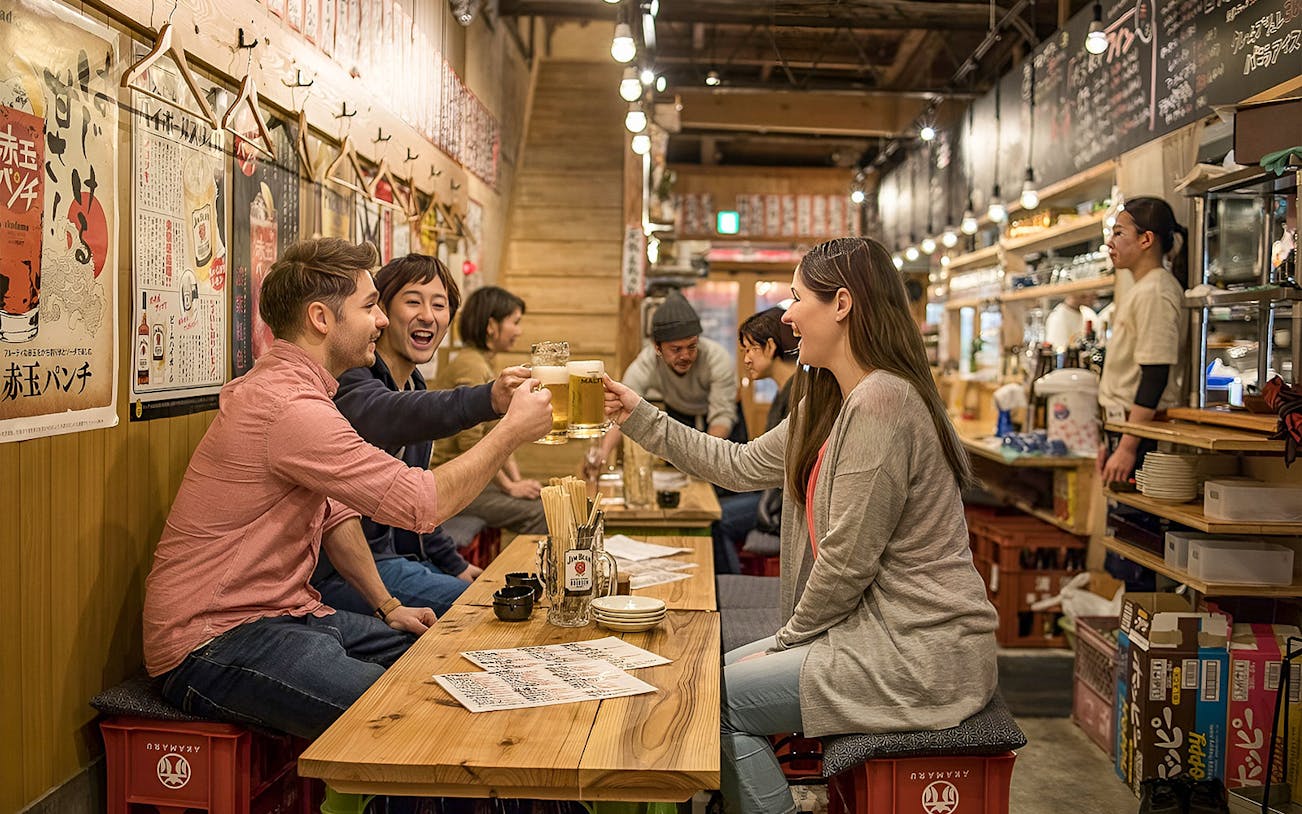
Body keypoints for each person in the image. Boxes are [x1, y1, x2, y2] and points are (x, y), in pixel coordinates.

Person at [602, 237, 998, 814]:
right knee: (700, 683)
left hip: (920, 652)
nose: (785, 315)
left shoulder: (884, 402)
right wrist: (638, 413)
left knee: (712, 700)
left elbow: (847, 562)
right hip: (869, 636)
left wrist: (786, 642)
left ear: (842, 304)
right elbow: (736, 465)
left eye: (795, 297)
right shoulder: (827, 400)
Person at [142, 238, 552, 740]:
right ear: (321, 318)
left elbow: (337, 516)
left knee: (446, 664)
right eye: (369, 305)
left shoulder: (304, 394)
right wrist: (510, 430)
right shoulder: (290, 407)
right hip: (211, 642)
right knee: (412, 716)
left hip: (287, 615)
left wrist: (388, 606)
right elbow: (421, 504)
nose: (381, 320)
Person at [314, 253, 530, 616]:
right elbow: (390, 415)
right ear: (380, 312)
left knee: (505, 596)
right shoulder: (352, 380)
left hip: (395, 558)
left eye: (440, 305)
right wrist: (489, 398)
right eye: (413, 301)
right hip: (346, 570)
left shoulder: (414, 384)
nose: (428, 315)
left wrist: (456, 564)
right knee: (482, 612)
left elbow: (417, 499)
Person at [586, 289, 748, 572]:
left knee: (716, 501)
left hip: (721, 425)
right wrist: (601, 453)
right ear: (657, 348)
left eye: (691, 346)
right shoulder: (646, 362)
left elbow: (721, 417)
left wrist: (706, 461)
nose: (686, 355)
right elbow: (622, 409)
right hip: (682, 415)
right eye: (676, 349)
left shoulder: (717, 359)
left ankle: (724, 574)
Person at [431, 285, 549, 535]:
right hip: (450, 483)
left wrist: (516, 481)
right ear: (491, 326)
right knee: (540, 512)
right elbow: (470, 444)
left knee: (543, 498)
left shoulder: (483, 363)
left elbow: (499, 432)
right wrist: (509, 487)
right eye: (515, 322)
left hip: (471, 480)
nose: (519, 331)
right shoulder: (471, 366)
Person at [1097, 197, 1189, 487]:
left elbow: (1154, 375)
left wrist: (1127, 447)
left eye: (1119, 233)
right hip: (1126, 430)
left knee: (1137, 524)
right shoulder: (1143, 288)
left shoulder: (1157, 291)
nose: (1110, 242)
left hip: (1143, 437)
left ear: (1146, 239)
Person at [714, 307, 800, 561]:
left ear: (771, 347)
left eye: (750, 349)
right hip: (773, 494)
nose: (746, 359)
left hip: (784, 505)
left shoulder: (797, 393)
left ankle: (731, 588)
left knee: (716, 518)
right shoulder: (787, 389)